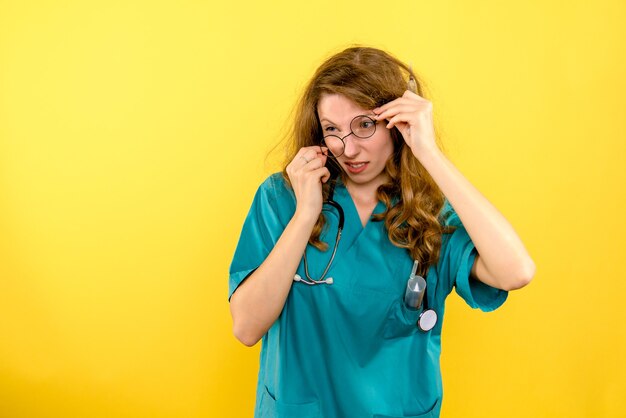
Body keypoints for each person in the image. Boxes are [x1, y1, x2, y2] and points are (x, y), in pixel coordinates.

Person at [228, 46, 535, 418]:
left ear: (395, 122)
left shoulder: (429, 213)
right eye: (332, 130)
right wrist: (305, 215)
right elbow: (246, 327)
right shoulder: (284, 198)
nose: (348, 149)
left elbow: (516, 271)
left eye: (364, 125)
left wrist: (429, 153)